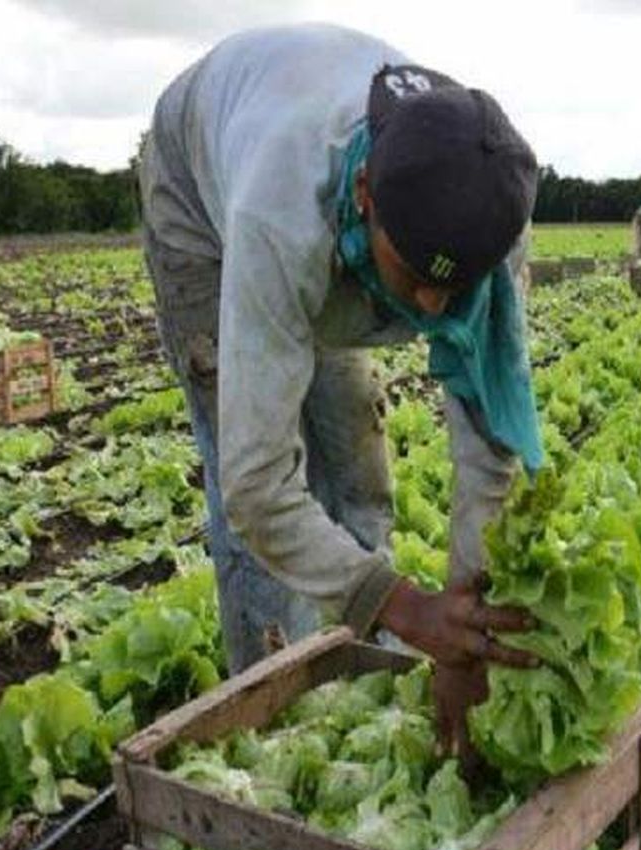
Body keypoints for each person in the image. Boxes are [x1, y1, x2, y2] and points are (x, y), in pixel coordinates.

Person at [137, 24, 544, 756]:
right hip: (196, 200)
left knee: (354, 455)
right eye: (414, 273)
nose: (427, 306)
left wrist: (460, 630)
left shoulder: (490, 214)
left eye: (451, 290)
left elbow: (490, 447)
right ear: (363, 194)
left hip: (324, 195)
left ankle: (363, 656)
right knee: (258, 508)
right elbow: (257, 486)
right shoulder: (278, 214)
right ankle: (268, 714)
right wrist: (402, 601)